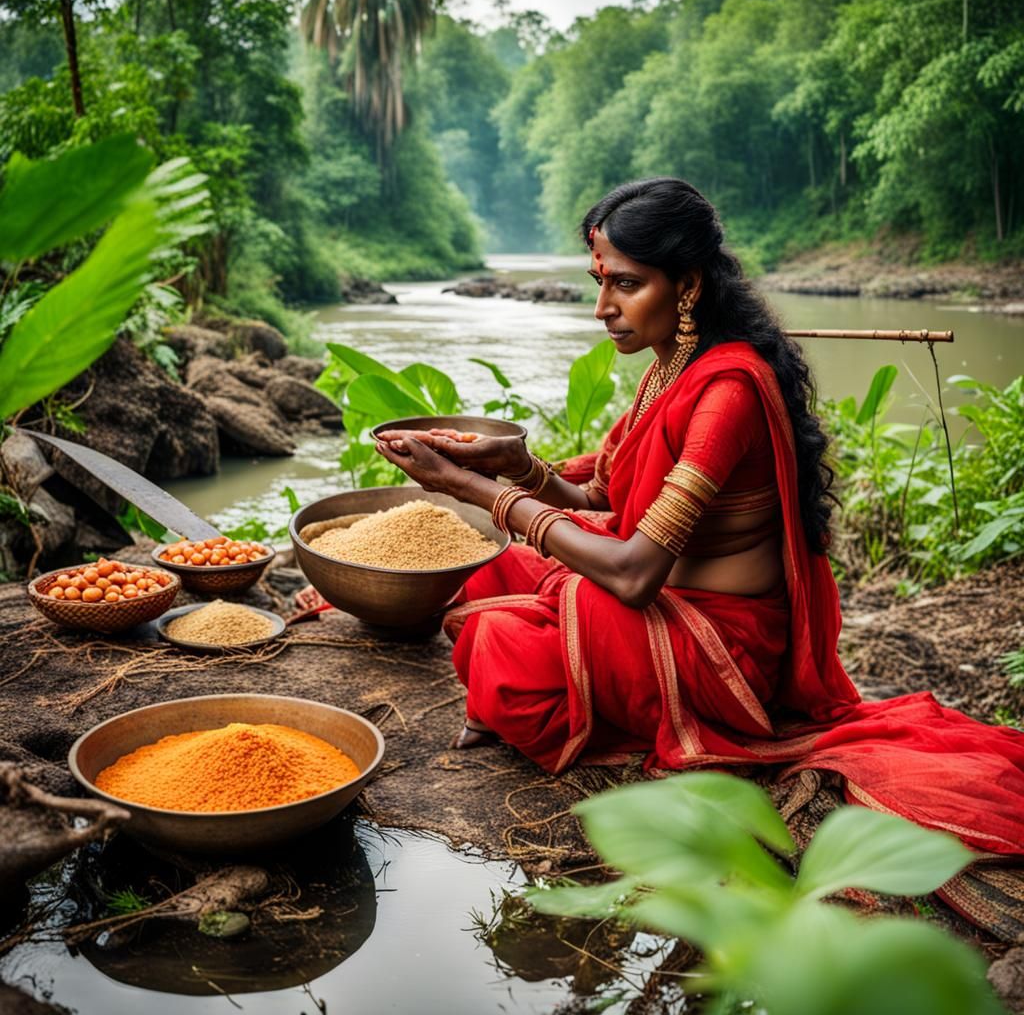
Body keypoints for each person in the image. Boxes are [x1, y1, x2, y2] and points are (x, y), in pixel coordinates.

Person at [376, 177, 1024, 856]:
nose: (603, 307)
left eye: (626, 285)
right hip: (664, 593)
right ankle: (563, 678)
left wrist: (477, 491)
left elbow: (632, 577)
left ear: (686, 286)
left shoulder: (728, 392)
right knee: (495, 567)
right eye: (601, 282)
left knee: (500, 646)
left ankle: (564, 694)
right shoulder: (671, 368)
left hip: (720, 643)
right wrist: (515, 465)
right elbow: (603, 500)